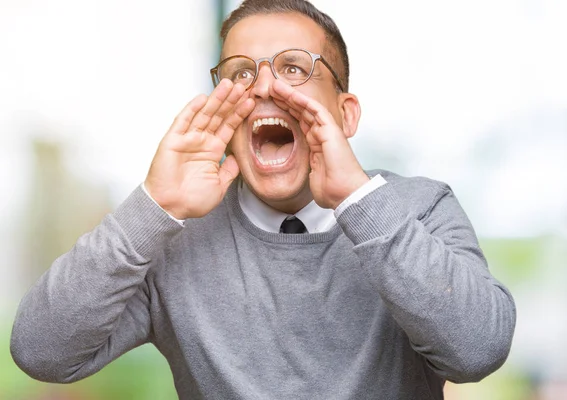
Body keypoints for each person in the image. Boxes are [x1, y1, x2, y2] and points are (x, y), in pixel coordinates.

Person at [11, 0, 517, 399]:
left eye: (295, 68)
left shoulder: (421, 208)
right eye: (241, 73)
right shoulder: (171, 234)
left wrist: (357, 200)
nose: (266, 88)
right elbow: (42, 352)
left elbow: (477, 351)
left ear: (346, 115)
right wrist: (152, 206)